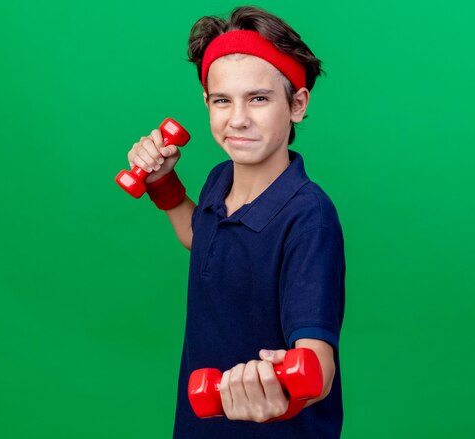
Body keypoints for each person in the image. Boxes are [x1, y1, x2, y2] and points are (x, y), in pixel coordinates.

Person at [126, 6, 346, 438]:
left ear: (297, 105)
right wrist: (163, 182)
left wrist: (278, 394)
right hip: (198, 423)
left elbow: (317, 364)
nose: (238, 118)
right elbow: (200, 236)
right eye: (223, 100)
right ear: (207, 103)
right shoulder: (219, 179)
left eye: (259, 98)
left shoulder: (309, 218)